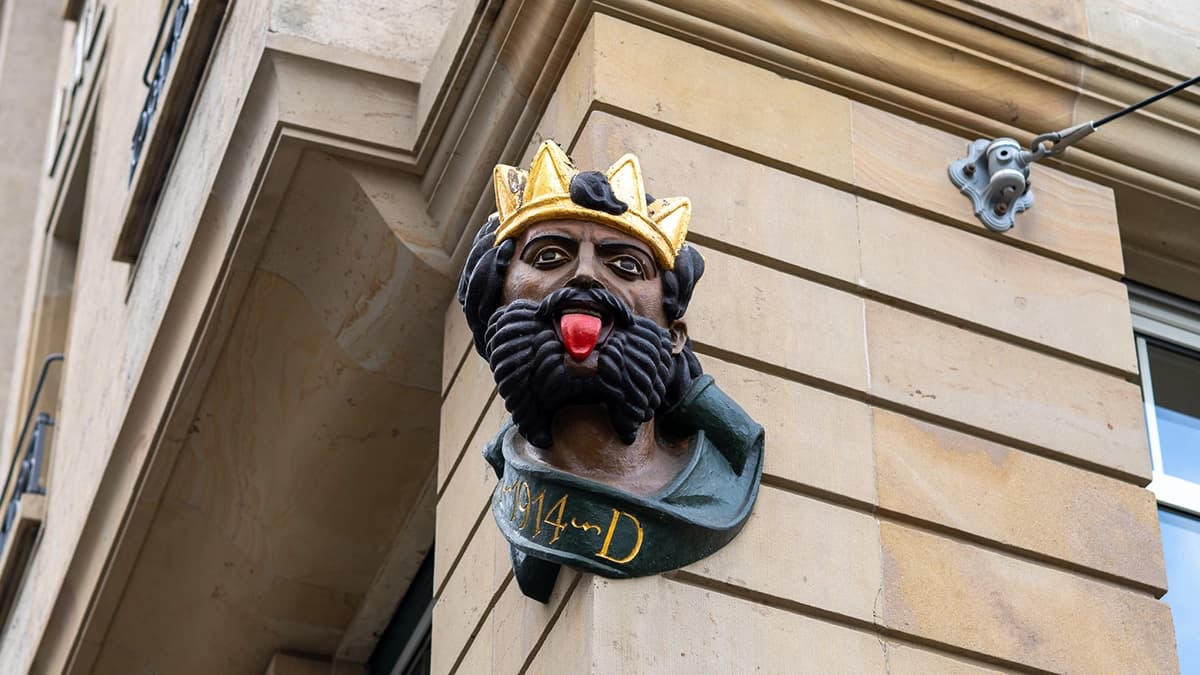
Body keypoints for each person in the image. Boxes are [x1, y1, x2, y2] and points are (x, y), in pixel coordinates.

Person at [457, 141, 764, 601]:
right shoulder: (519, 494)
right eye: (548, 257)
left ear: (674, 336)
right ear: (496, 310)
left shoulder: (715, 482)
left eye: (625, 265)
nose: (586, 275)